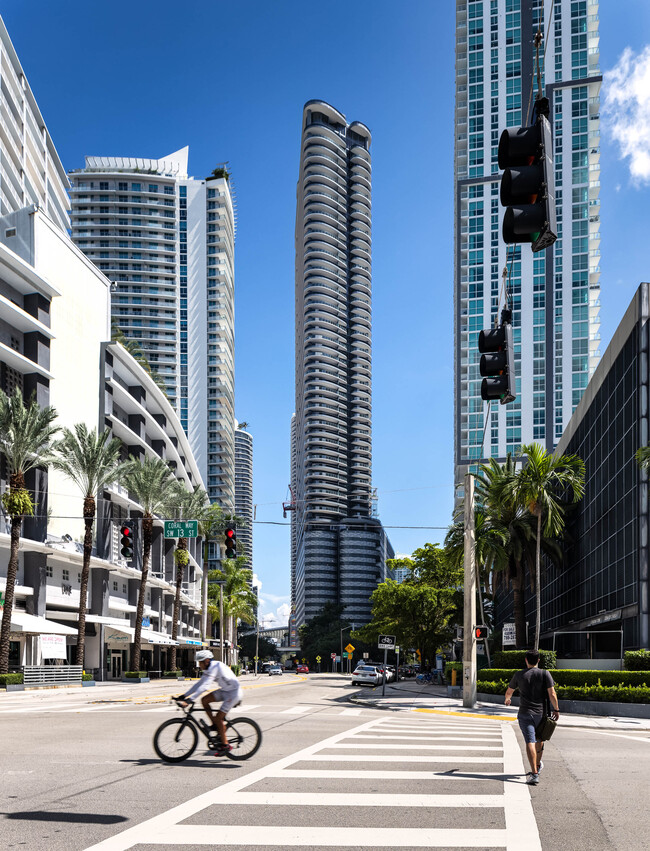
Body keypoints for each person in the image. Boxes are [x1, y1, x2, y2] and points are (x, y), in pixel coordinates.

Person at [504, 649, 560, 786]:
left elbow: (509, 691)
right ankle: (536, 767)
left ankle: (534, 773)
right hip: (541, 714)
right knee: (539, 740)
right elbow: (552, 693)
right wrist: (556, 709)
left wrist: (507, 699)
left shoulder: (519, 675)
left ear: (526, 660)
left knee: (530, 741)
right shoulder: (545, 674)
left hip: (524, 713)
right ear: (538, 660)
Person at [176, 649, 243, 756]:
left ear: (206, 661)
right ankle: (215, 725)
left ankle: (225, 745)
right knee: (204, 700)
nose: (199, 665)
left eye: (200, 662)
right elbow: (199, 684)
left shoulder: (215, 667)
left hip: (233, 693)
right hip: (225, 690)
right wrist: (184, 696)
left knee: (219, 718)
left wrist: (190, 700)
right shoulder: (208, 668)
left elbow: (205, 686)